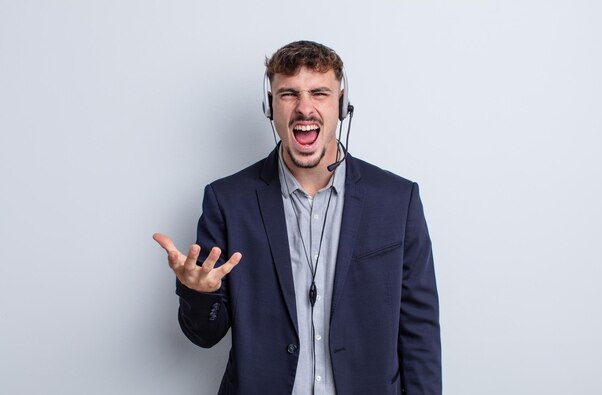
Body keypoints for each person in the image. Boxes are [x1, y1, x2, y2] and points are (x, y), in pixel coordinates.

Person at [154, 40, 441, 395]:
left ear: (342, 104)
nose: (304, 108)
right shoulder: (227, 200)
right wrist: (197, 294)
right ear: (269, 106)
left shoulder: (398, 200)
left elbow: (419, 332)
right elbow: (204, 336)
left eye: (319, 92)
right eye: (289, 94)